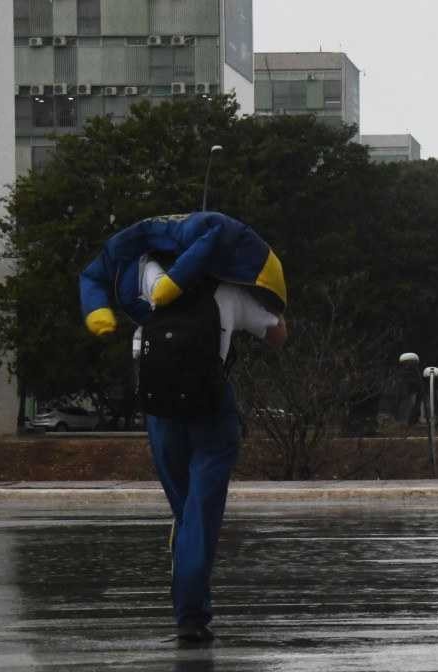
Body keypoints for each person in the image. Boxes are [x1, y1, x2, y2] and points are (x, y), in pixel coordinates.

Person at [79, 212, 288, 644]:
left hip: (161, 415)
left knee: (185, 510)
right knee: (202, 511)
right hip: (212, 409)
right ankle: (192, 613)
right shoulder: (227, 289)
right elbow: (277, 334)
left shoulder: (141, 284)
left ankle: (187, 589)